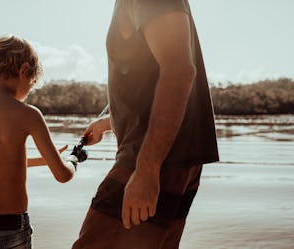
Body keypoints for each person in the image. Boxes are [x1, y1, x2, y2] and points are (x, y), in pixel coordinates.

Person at [72, 0, 219, 248]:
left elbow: (179, 71)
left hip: (153, 161)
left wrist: (147, 169)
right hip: (172, 161)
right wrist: (109, 122)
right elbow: (146, 78)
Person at [0, 35, 79, 249]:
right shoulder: (28, 114)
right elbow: (63, 175)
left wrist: (45, 160)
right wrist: (74, 160)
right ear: (24, 70)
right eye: (31, 84)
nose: (28, 91)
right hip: (7, 228)